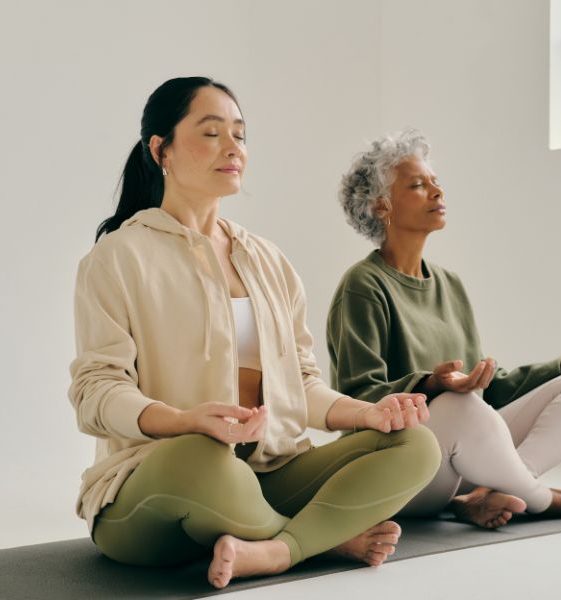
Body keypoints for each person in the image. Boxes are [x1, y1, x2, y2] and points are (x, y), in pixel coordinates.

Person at [68, 78, 441, 589]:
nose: (232, 148)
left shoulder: (268, 260)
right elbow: (96, 392)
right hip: (156, 490)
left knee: (413, 443)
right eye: (211, 132)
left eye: (240, 135)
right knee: (205, 457)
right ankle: (319, 541)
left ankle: (273, 550)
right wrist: (182, 422)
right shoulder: (116, 258)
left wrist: (369, 414)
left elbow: (303, 384)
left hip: (268, 476)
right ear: (161, 150)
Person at [328, 129, 561, 529]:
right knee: (460, 405)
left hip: (466, 453)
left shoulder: (450, 284)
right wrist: (432, 386)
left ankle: (490, 494)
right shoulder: (363, 285)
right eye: (419, 185)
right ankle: (544, 499)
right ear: (381, 206)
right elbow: (357, 398)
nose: (437, 193)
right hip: (403, 468)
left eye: (436, 183)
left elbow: (487, 388)